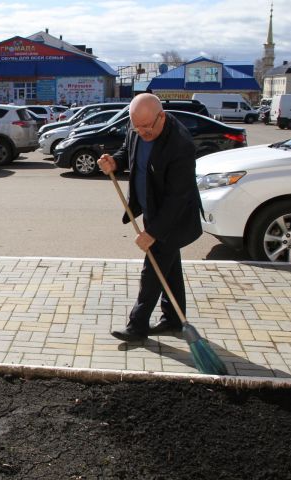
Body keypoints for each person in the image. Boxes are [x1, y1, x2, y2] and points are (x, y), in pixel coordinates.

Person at [98, 93, 202, 342]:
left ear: (161, 117)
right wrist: (115, 161)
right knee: (170, 267)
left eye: (147, 127)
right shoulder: (137, 125)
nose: (142, 132)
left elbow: (178, 197)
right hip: (152, 209)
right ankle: (174, 319)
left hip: (173, 217)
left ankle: (137, 326)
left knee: (152, 270)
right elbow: (128, 150)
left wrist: (153, 232)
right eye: (137, 127)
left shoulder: (180, 144)